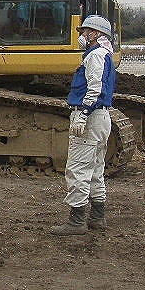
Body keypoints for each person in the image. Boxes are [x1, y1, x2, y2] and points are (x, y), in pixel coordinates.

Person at [52, 14, 117, 235]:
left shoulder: (95, 56)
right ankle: (97, 217)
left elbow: (95, 87)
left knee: (78, 167)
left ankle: (77, 221)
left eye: (84, 32)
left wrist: (83, 113)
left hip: (90, 116)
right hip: (101, 117)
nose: (81, 35)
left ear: (95, 34)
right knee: (96, 167)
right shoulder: (104, 54)